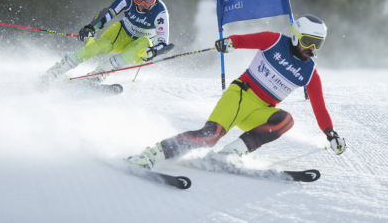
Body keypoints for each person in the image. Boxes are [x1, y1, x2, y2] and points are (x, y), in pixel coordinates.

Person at [128, 14, 347, 169]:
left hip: (259, 111)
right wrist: (229, 43)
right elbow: (244, 40)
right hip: (240, 95)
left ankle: (230, 154)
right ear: (296, 36)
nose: (312, 49)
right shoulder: (274, 41)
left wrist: (331, 133)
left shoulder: (310, 72)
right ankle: (152, 154)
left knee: (286, 120)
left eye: (318, 44)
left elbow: (320, 107)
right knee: (210, 136)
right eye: (308, 41)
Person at [41, 0, 171, 86]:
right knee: (97, 46)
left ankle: (97, 75)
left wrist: (153, 52)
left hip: (139, 48)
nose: (143, 3)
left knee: (144, 41)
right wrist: (91, 27)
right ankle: (54, 72)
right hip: (122, 35)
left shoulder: (160, 12)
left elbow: (163, 43)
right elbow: (108, 14)